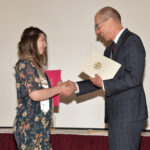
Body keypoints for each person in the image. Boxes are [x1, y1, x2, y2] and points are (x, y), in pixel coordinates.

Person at [67, 6, 148, 150]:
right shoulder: (108, 50)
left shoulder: (132, 41)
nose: (97, 32)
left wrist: (103, 84)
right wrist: (76, 86)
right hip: (116, 117)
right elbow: (100, 81)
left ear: (109, 21)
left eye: (97, 27)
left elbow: (134, 77)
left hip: (128, 117)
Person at [13, 26, 74, 150]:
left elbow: (43, 93)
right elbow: (35, 94)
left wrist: (58, 87)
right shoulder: (25, 64)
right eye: (43, 40)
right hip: (29, 128)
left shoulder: (37, 68)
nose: (45, 45)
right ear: (31, 41)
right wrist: (59, 89)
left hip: (41, 127)